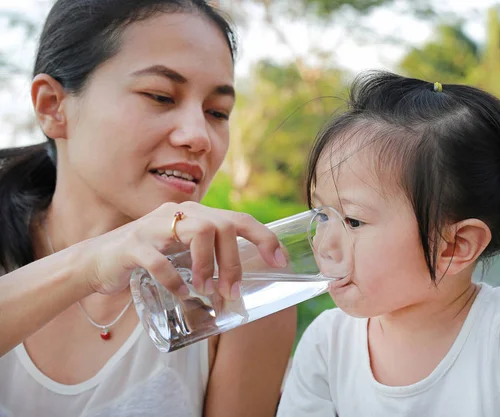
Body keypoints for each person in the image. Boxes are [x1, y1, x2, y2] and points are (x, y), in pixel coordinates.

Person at [0, 1, 296, 416]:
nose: (199, 137)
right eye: (160, 96)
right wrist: (89, 266)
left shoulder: (243, 288)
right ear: (53, 106)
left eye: (217, 112)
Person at [277, 72, 500, 416]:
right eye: (321, 213)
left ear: (454, 245)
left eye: (353, 221)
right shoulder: (327, 345)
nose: (323, 243)